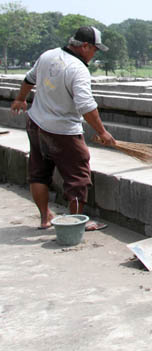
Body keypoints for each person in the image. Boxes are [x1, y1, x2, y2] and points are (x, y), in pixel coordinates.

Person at [11, 26, 116, 231]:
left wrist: (20, 99)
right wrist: (102, 132)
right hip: (63, 130)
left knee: (38, 173)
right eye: (95, 50)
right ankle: (74, 223)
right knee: (77, 178)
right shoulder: (77, 69)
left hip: (36, 123)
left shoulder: (48, 55)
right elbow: (86, 105)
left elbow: (29, 79)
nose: (94, 55)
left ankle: (45, 218)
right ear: (85, 46)